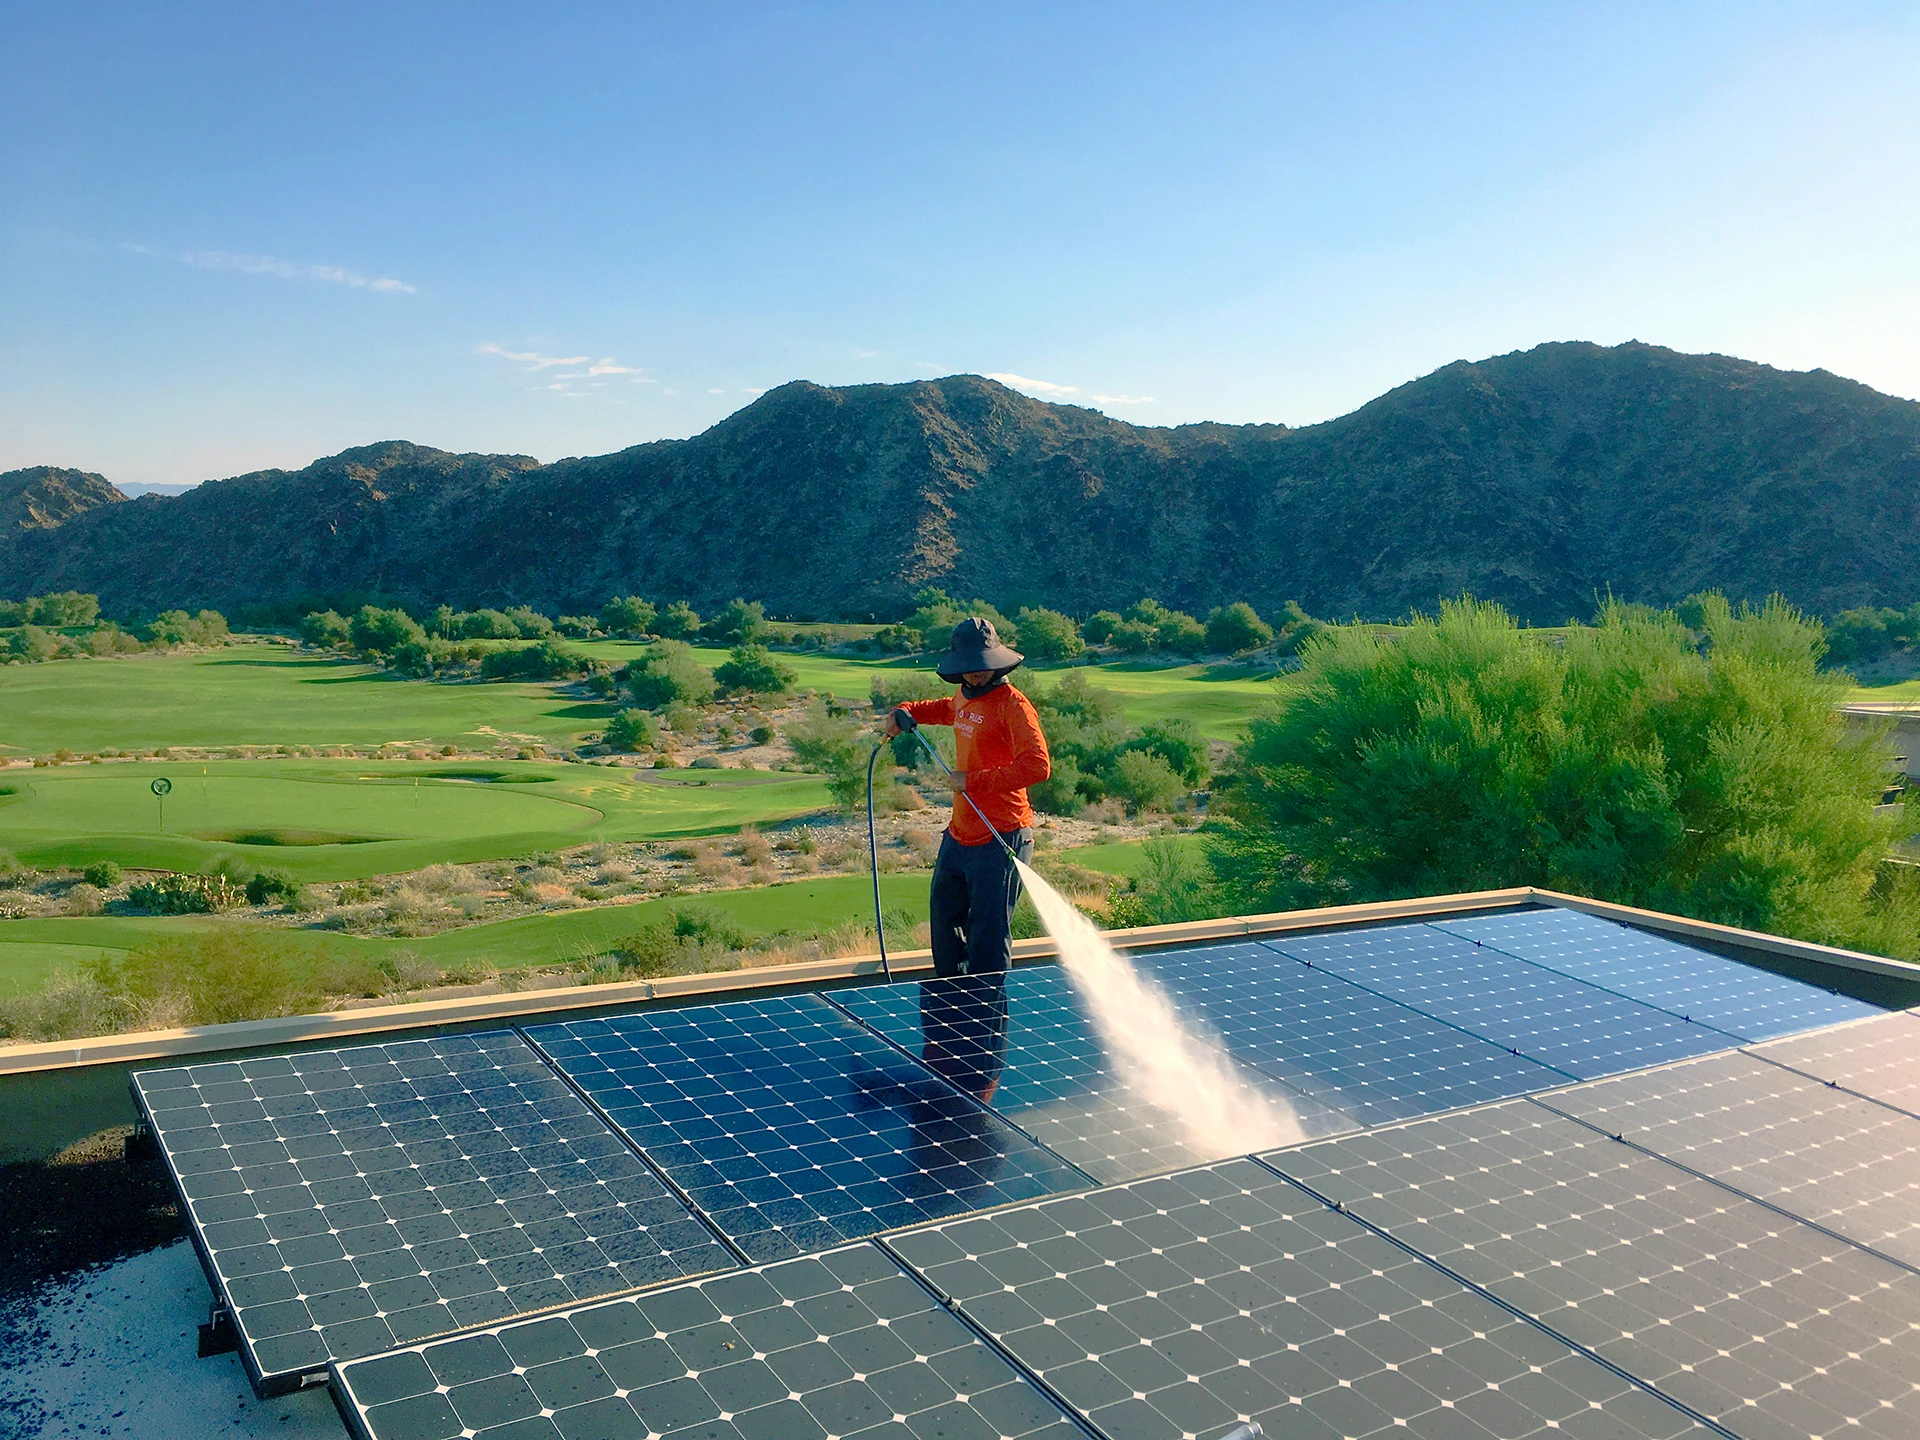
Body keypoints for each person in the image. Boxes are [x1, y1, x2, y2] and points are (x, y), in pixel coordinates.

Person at [885, 617, 1050, 1100]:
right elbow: (938, 709)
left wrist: (973, 781)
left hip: (1002, 837)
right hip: (959, 834)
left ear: (996, 663)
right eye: (968, 669)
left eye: (982, 668)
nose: (976, 676)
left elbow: (1038, 766)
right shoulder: (962, 698)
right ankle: (947, 1040)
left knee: (987, 944)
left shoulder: (1014, 706)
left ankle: (982, 1070)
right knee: (944, 927)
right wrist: (904, 710)